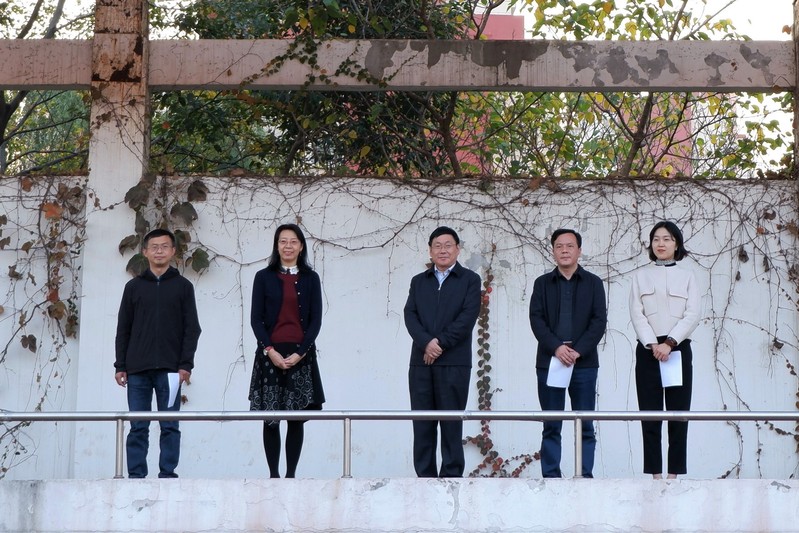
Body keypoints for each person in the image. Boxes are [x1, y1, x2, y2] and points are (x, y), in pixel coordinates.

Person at [114, 228, 202, 478]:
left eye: (164, 246)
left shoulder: (183, 287)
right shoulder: (133, 287)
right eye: (154, 247)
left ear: (173, 251)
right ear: (145, 252)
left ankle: (167, 474)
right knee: (138, 425)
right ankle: (136, 475)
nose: (159, 251)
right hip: (137, 370)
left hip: (171, 370)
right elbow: (123, 329)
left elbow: (192, 328)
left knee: (170, 425)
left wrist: (185, 364)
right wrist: (121, 365)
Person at [403, 226, 481, 478]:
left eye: (448, 245)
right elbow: (410, 315)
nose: (443, 250)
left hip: (454, 364)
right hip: (421, 363)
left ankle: (452, 477)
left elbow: (467, 317)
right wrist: (426, 343)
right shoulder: (419, 281)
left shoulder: (470, 280)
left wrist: (439, 345)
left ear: (458, 249)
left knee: (451, 424)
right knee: (422, 425)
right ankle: (424, 478)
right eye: (437, 245)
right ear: (430, 250)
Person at [529, 229, 607, 478]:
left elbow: (599, 321)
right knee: (552, 424)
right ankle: (551, 476)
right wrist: (557, 348)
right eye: (559, 246)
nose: (564, 250)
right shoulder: (542, 283)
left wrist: (577, 351)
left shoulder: (593, 283)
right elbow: (536, 320)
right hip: (550, 361)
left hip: (584, 363)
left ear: (579, 251)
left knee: (585, 423)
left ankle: (584, 475)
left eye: (570, 246)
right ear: (553, 251)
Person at [249, 223, 325, 478]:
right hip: (269, 355)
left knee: (296, 418)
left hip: (300, 356)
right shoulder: (263, 277)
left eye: (293, 241)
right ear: (276, 245)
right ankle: (273, 476)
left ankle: (291, 476)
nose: (288, 246)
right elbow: (256, 320)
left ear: (301, 246)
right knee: (271, 418)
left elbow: (315, 320)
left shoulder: (311, 278)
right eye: (283, 241)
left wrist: (301, 352)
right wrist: (269, 350)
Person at [629, 221, 700, 479]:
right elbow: (636, 314)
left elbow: (693, 314)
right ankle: (655, 475)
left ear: (676, 244)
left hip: (677, 349)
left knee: (678, 415)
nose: (661, 243)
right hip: (648, 350)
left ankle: (674, 475)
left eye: (667, 239)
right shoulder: (640, 276)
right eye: (656, 239)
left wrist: (669, 343)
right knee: (650, 414)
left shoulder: (688, 276)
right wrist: (653, 344)